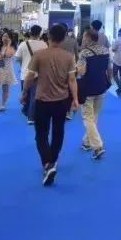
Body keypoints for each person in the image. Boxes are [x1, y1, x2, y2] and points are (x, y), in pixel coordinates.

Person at [22, 25, 79, 186]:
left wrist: (24, 92)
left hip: (42, 100)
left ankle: (47, 163)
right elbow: (72, 80)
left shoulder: (39, 55)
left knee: (41, 134)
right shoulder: (69, 57)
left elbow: (29, 77)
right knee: (58, 132)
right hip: (62, 100)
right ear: (63, 39)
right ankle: (52, 160)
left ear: (48, 37)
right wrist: (75, 98)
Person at [76, 30, 111, 160]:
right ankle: (86, 142)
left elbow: (82, 72)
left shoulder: (84, 53)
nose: (83, 39)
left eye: (84, 37)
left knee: (87, 118)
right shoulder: (106, 50)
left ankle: (97, 147)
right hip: (101, 87)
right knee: (94, 116)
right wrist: (109, 81)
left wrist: (75, 68)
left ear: (89, 38)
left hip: (88, 88)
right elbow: (109, 68)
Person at [15, 25, 47, 124]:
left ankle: (26, 110)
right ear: (40, 33)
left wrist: (24, 62)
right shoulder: (44, 44)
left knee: (25, 93)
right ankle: (31, 117)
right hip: (38, 73)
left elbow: (17, 57)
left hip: (25, 72)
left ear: (30, 32)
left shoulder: (23, 44)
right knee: (34, 95)